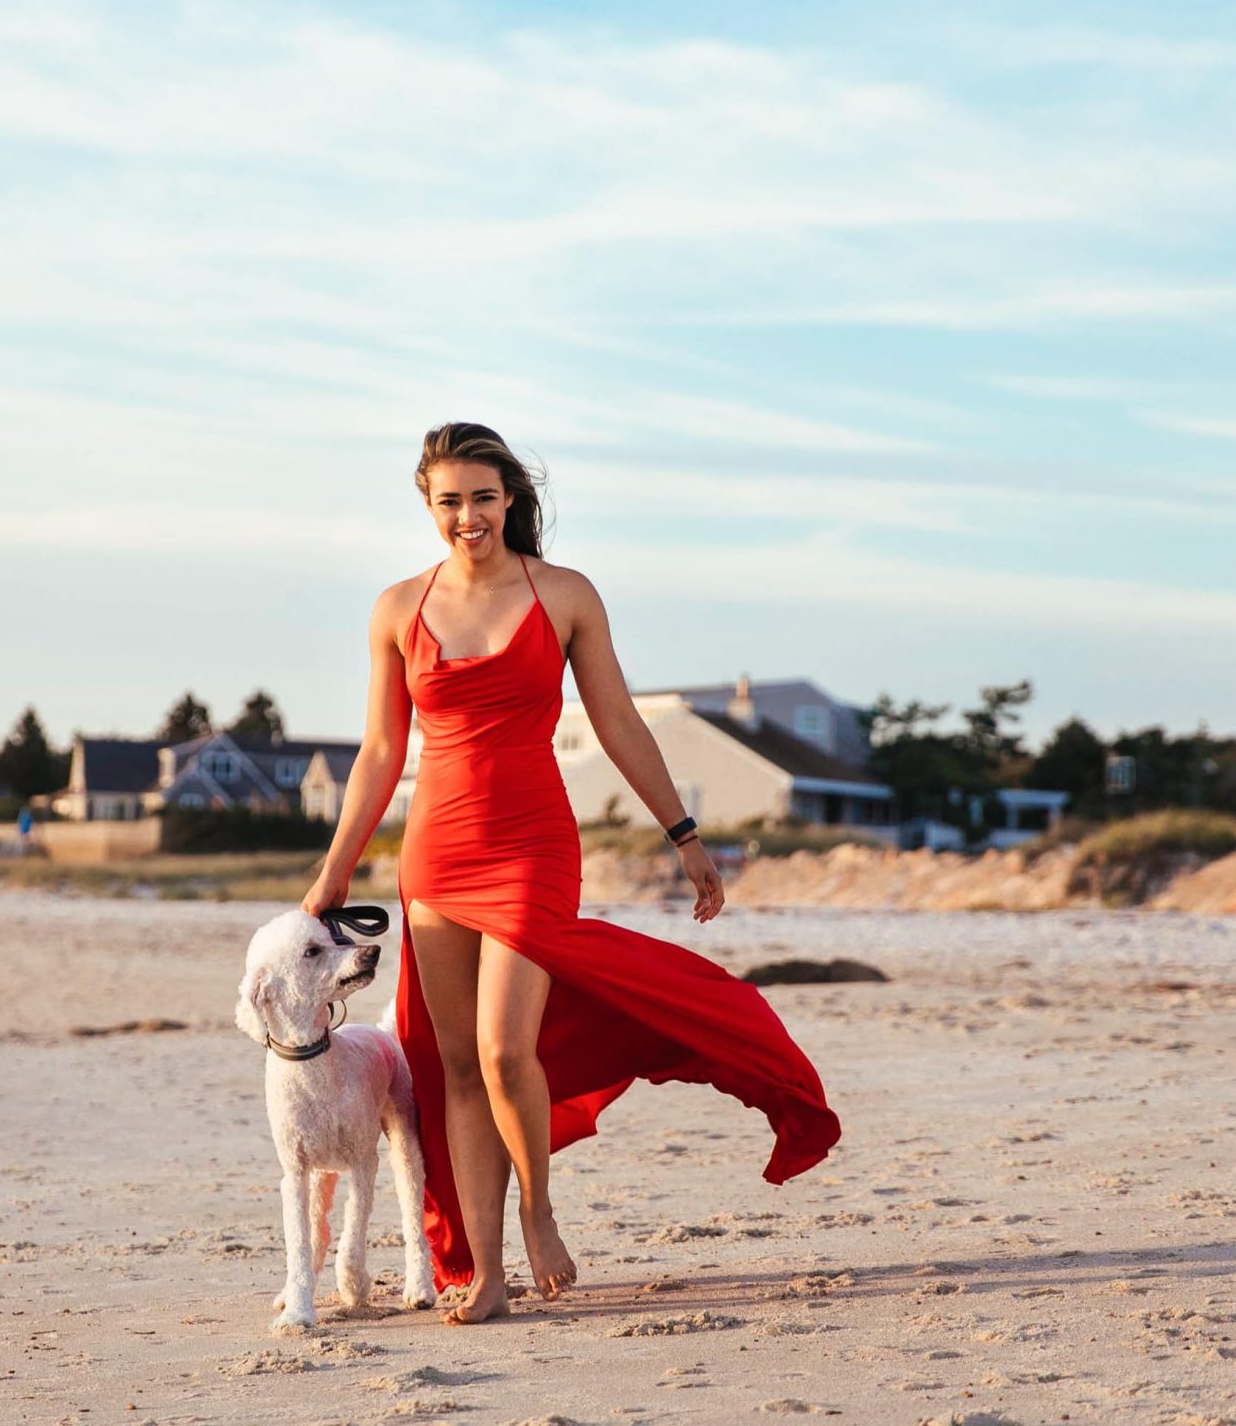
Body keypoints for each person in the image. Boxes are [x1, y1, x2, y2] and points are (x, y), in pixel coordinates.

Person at [302, 422, 841, 1325]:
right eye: (448, 502)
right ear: (427, 507)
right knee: (457, 1065)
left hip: (531, 847)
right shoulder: (398, 608)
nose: (466, 517)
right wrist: (334, 873)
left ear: (510, 498)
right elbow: (381, 752)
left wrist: (686, 836)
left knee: (509, 1048)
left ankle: (539, 1216)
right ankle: (486, 1272)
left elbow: (622, 723)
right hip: (435, 850)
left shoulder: (564, 595)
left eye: (482, 497)